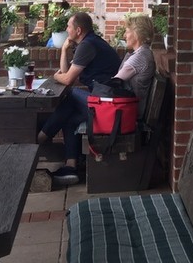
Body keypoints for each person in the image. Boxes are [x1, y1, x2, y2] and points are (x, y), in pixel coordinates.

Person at [37, 11, 121, 185]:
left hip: (108, 102)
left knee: (71, 95)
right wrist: (64, 50)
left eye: (69, 26)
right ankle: (71, 167)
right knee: (71, 118)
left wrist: (55, 77)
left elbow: (66, 79)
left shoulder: (88, 45)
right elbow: (66, 74)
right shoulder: (89, 42)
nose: (66, 29)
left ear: (78, 30)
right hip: (105, 100)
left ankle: (41, 137)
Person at [114, 14, 157, 113]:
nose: (124, 35)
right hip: (131, 107)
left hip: (129, 111)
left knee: (75, 94)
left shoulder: (139, 58)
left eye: (127, 31)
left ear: (137, 34)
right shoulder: (144, 53)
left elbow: (114, 83)